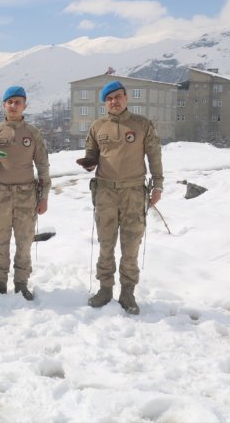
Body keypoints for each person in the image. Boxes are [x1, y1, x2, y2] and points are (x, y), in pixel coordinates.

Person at [78, 80, 163, 315]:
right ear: (105, 103)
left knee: (131, 244)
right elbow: (92, 152)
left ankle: (127, 292)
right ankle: (105, 288)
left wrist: (158, 185)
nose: (114, 101)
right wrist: (89, 161)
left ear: (126, 98)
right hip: (105, 191)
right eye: (109, 98)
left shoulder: (142, 125)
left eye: (118, 96)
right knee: (106, 242)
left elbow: (154, 155)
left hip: (134, 192)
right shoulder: (98, 126)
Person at [0, 86, 51, 301]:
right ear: (4, 105)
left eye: (18, 102)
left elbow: (43, 165)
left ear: (25, 106)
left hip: (26, 195)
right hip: (0, 194)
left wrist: (44, 196)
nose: (13, 106)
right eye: (9, 102)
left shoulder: (32, 133)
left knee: (24, 241)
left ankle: (21, 284)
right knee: (1, 240)